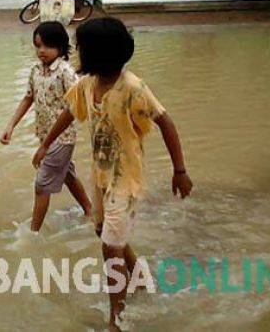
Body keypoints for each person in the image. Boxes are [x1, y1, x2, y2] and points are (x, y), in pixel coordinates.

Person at [32, 17, 193, 330]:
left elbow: (166, 122)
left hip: (126, 180)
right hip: (101, 177)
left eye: (81, 48)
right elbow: (68, 113)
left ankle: (115, 317)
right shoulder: (88, 84)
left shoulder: (133, 88)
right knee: (104, 234)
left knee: (109, 246)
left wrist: (180, 171)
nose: (77, 53)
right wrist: (45, 146)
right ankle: (141, 278)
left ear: (96, 53)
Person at [1, 21, 91, 232]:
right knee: (68, 175)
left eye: (47, 46)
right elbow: (28, 98)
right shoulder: (35, 70)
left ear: (60, 47)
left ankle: (33, 233)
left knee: (41, 185)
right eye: (37, 46)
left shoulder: (65, 72)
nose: (41, 51)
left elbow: (78, 104)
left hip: (63, 138)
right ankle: (89, 208)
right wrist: (11, 125)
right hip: (45, 135)